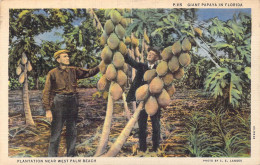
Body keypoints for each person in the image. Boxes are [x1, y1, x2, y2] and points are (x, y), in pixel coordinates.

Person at [42, 50, 99, 157]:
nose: (68, 58)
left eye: (68, 56)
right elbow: (46, 91)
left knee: (72, 130)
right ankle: (51, 157)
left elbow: (89, 72)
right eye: (64, 56)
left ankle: (71, 155)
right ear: (58, 60)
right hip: (59, 102)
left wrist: (101, 65)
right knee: (56, 131)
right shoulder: (52, 73)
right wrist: (48, 109)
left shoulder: (74, 71)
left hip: (72, 101)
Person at [125, 47, 161, 152]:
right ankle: (143, 148)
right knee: (142, 125)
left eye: (152, 54)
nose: (149, 54)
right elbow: (132, 62)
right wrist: (125, 53)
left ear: (157, 58)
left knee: (156, 125)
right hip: (142, 101)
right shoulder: (142, 66)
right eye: (149, 53)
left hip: (155, 100)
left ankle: (155, 148)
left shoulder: (160, 69)